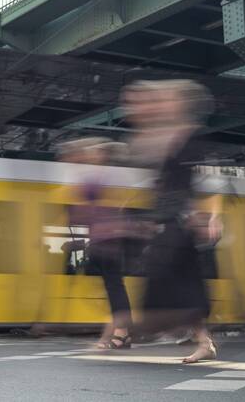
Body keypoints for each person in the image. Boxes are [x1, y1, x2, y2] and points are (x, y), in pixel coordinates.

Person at [125, 79, 220, 363]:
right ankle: (203, 341)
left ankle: (151, 324)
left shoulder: (190, 138)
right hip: (172, 219)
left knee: (172, 280)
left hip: (181, 221)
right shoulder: (172, 137)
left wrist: (210, 215)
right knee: (185, 281)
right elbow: (164, 180)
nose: (167, 103)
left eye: (171, 99)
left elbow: (204, 183)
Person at [61, 137, 143, 349]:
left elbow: (84, 209)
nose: (92, 155)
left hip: (109, 242)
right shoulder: (106, 177)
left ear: (104, 156)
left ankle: (122, 331)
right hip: (102, 241)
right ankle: (120, 331)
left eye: (95, 153)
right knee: (112, 287)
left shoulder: (105, 177)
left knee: (114, 288)